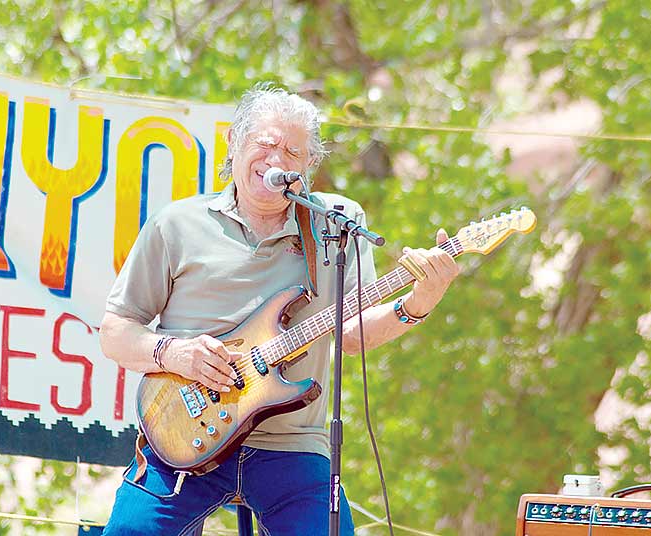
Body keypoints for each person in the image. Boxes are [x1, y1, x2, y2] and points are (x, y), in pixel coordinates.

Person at [99, 84, 459, 536]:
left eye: (294, 152)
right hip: (181, 440)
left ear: (309, 165)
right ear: (234, 142)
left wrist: (415, 305)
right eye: (266, 144)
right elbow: (115, 332)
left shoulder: (336, 224)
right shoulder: (175, 225)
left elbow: (351, 334)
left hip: (293, 446)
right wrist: (174, 353)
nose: (278, 161)